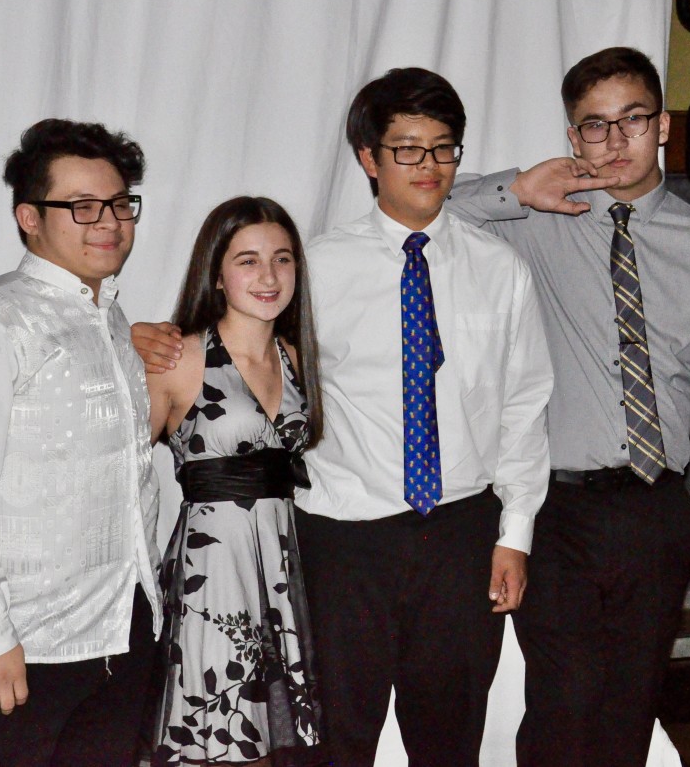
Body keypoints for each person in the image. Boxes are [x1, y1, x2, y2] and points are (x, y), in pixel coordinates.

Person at [133, 68, 559, 766]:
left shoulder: (500, 268)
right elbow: (226, 347)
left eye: (444, 148)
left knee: (450, 739)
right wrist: (130, 336)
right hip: (340, 543)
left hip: (460, 533)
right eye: (408, 150)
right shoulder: (313, 270)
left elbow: (523, 402)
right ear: (369, 158)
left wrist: (515, 532)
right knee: (334, 741)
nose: (430, 166)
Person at [447, 47, 690, 767]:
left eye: (631, 119)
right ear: (572, 138)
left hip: (658, 510)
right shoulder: (539, 222)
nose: (614, 141)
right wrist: (519, 188)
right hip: (556, 513)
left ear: (663, 126)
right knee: (561, 703)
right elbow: (428, 208)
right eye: (594, 126)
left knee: (627, 709)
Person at [0, 118, 162, 766]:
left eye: (118, 203)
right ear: (29, 216)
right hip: (28, 648)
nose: (108, 221)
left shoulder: (109, 316)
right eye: (81, 206)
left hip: (121, 629)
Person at [144, 196, 325, 767]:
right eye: (247, 260)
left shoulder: (295, 355)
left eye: (283, 259)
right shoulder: (180, 358)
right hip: (212, 572)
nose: (269, 276)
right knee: (217, 733)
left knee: (271, 743)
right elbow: (121, 474)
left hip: (281, 564)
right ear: (216, 274)